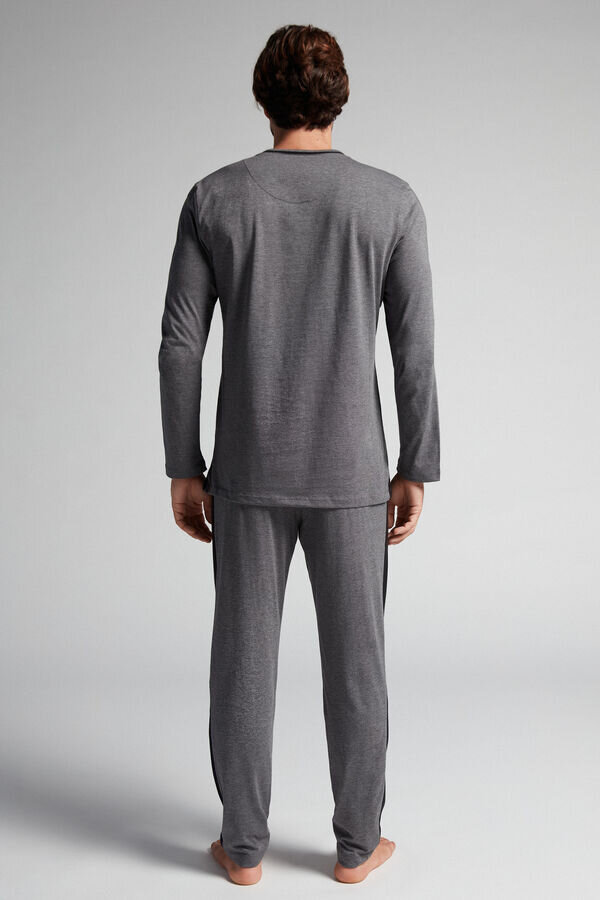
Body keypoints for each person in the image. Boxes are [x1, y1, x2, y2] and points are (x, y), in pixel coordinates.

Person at [158, 23, 440, 886]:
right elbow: (414, 349)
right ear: (339, 95)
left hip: (247, 470)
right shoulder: (390, 201)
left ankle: (242, 850)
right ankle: (357, 848)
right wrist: (416, 464)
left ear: (263, 96)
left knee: (242, 664)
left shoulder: (215, 198)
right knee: (358, 668)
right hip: (352, 474)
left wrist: (183, 463)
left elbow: (180, 344)